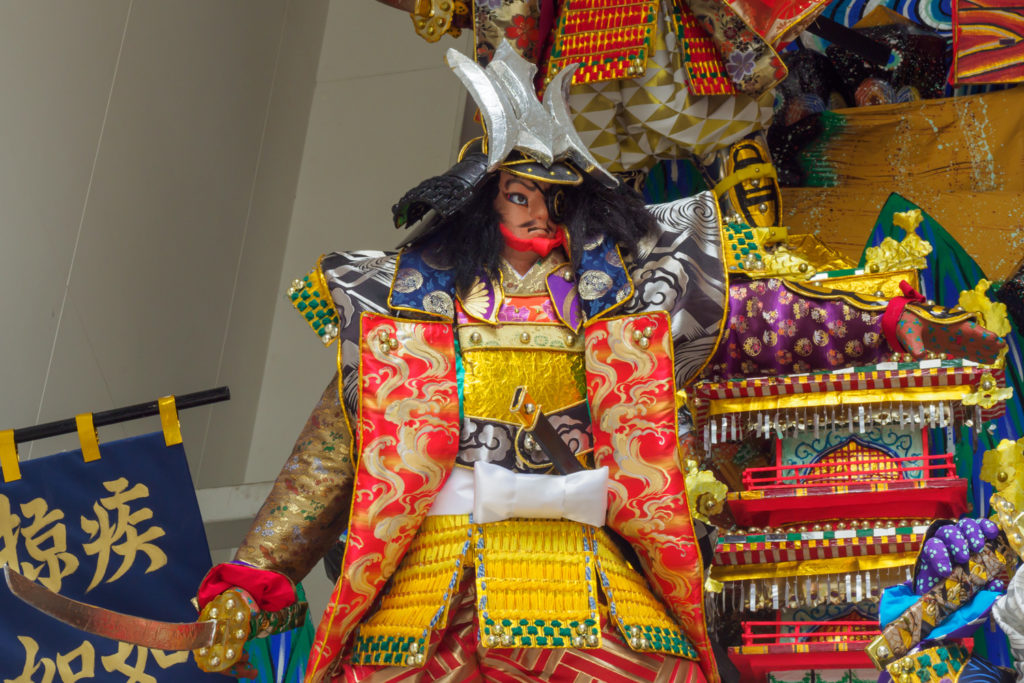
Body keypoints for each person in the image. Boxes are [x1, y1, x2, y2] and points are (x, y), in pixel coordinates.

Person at [195, 43, 1006, 683]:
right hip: (431, 592)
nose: (540, 213)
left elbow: (760, 317)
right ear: (484, 195)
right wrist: (252, 576)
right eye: (521, 194)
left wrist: (884, 319)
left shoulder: (626, 300)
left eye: (558, 197)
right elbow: (333, 452)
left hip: (587, 578)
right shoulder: (404, 305)